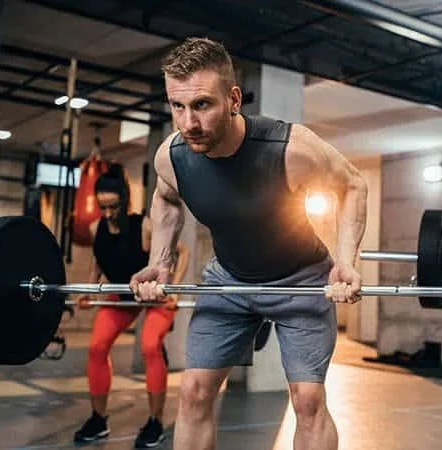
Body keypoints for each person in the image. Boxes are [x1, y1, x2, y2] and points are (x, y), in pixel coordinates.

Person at [128, 37, 368, 450]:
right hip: (229, 281)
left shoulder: (289, 148)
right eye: (177, 106)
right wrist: (159, 262)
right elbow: (166, 198)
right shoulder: (172, 157)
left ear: (234, 97)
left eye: (202, 104)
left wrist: (345, 261)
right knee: (194, 393)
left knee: (308, 400)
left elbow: (353, 185)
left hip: (301, 280)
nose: (188, 123)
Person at [72, 164, 189, 448]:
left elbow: (181, 252)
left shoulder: (144, 225)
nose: (108, 213)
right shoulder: (94, 227)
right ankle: (98, 419)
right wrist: (89, 291)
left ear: (124, 201)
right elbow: (98, 260)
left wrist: (172, 290)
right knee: (97, 347)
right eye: (103, 207)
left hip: (151, 294)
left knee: (150, 346)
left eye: (113, 206)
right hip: (119, 296)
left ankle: (155, 422)